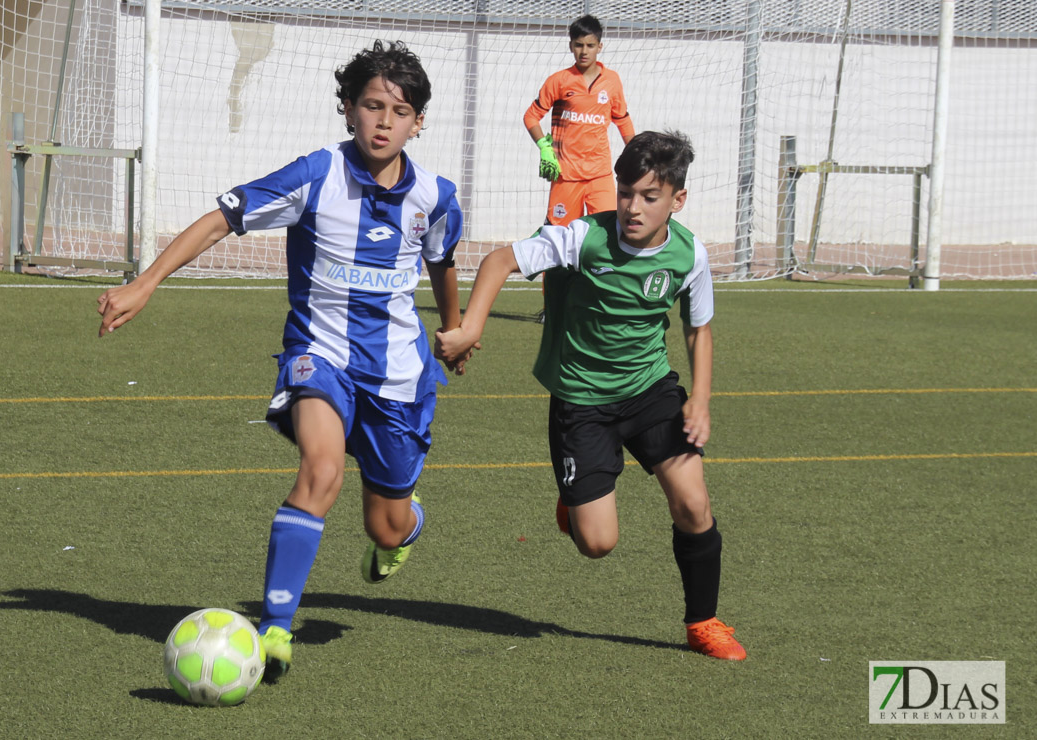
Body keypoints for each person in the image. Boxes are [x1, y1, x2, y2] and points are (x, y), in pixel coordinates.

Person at [96, 40, 466, 681]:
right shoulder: (314, 175)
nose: (384, 121)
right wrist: (145, 282)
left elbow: (441, 262)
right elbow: (223, 218)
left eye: (399, 111)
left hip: (401, 375)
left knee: (385, 525)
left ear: (418, 121)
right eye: (371, 106)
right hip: (318, 356)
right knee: (321, 469)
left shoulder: (435, 196)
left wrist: (456, 328)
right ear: (348, 109)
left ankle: (405, 530)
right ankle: (274, 629)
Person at [435, 131, 746, 661]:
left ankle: (703, 622)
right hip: (582, 403)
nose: (632, 206)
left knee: (693, 502)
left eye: (649, 196)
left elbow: (698, 328)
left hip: (651, 392)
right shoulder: (583, 237)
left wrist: (700, 400)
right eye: (626, 192)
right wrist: (469, 328)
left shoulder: (689, 253)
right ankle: (573, 496)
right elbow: (499, 260)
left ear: (678, 200)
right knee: (597, 544)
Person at [524, 14, 636, 228]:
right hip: (565, 174)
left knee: (607, 231)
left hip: (599, 175)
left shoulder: (612, 81)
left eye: (590, 45)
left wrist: (637, 153)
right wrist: (544, 147)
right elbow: (531, 116)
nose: (584, 51)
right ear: (570, 46)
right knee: (560, 235)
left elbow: (622, 120)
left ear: (600, 46)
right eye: (579, 45)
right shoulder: (558, 81)